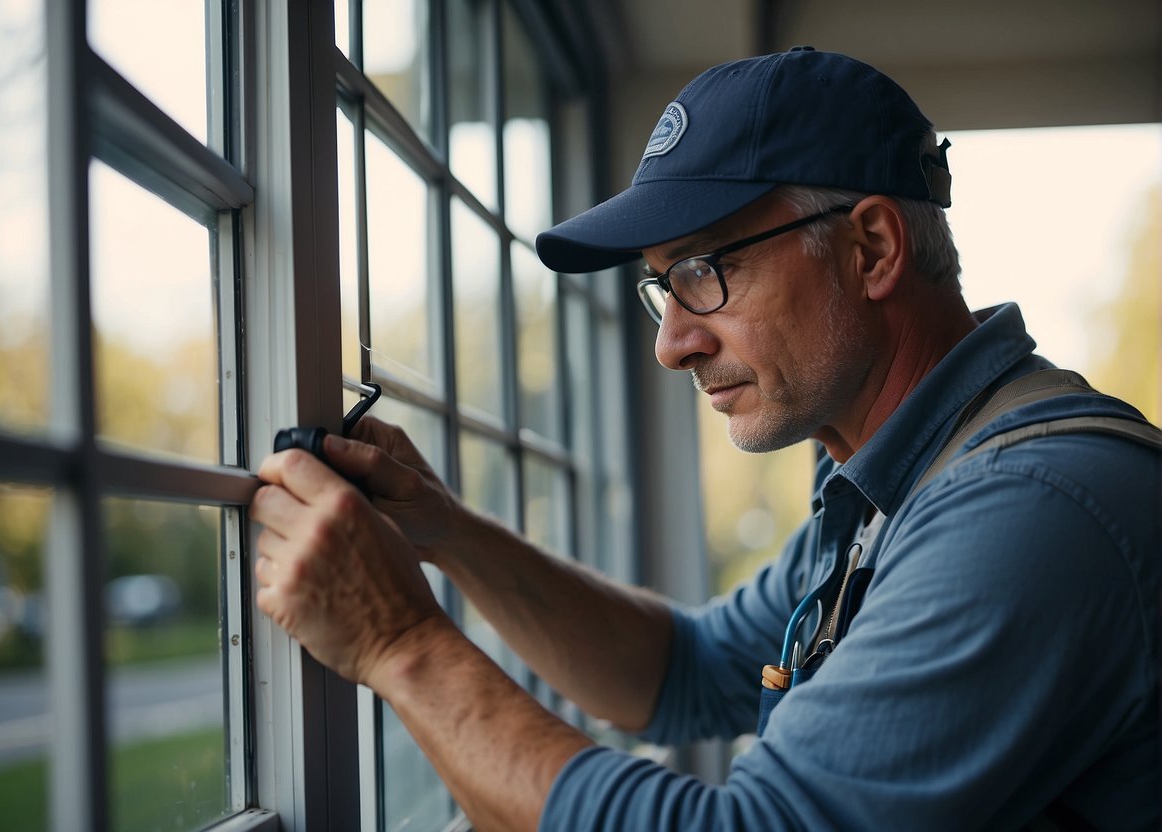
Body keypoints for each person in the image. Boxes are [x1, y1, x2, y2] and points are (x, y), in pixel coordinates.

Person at [251, 47, 1161, 830]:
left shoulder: (1025, 511)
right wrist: (449, 533)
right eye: (661, 287)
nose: (671, 342)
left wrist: (398, 644)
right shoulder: (901, 489)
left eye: (705, 271)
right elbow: (679, 674)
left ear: (872, 250)